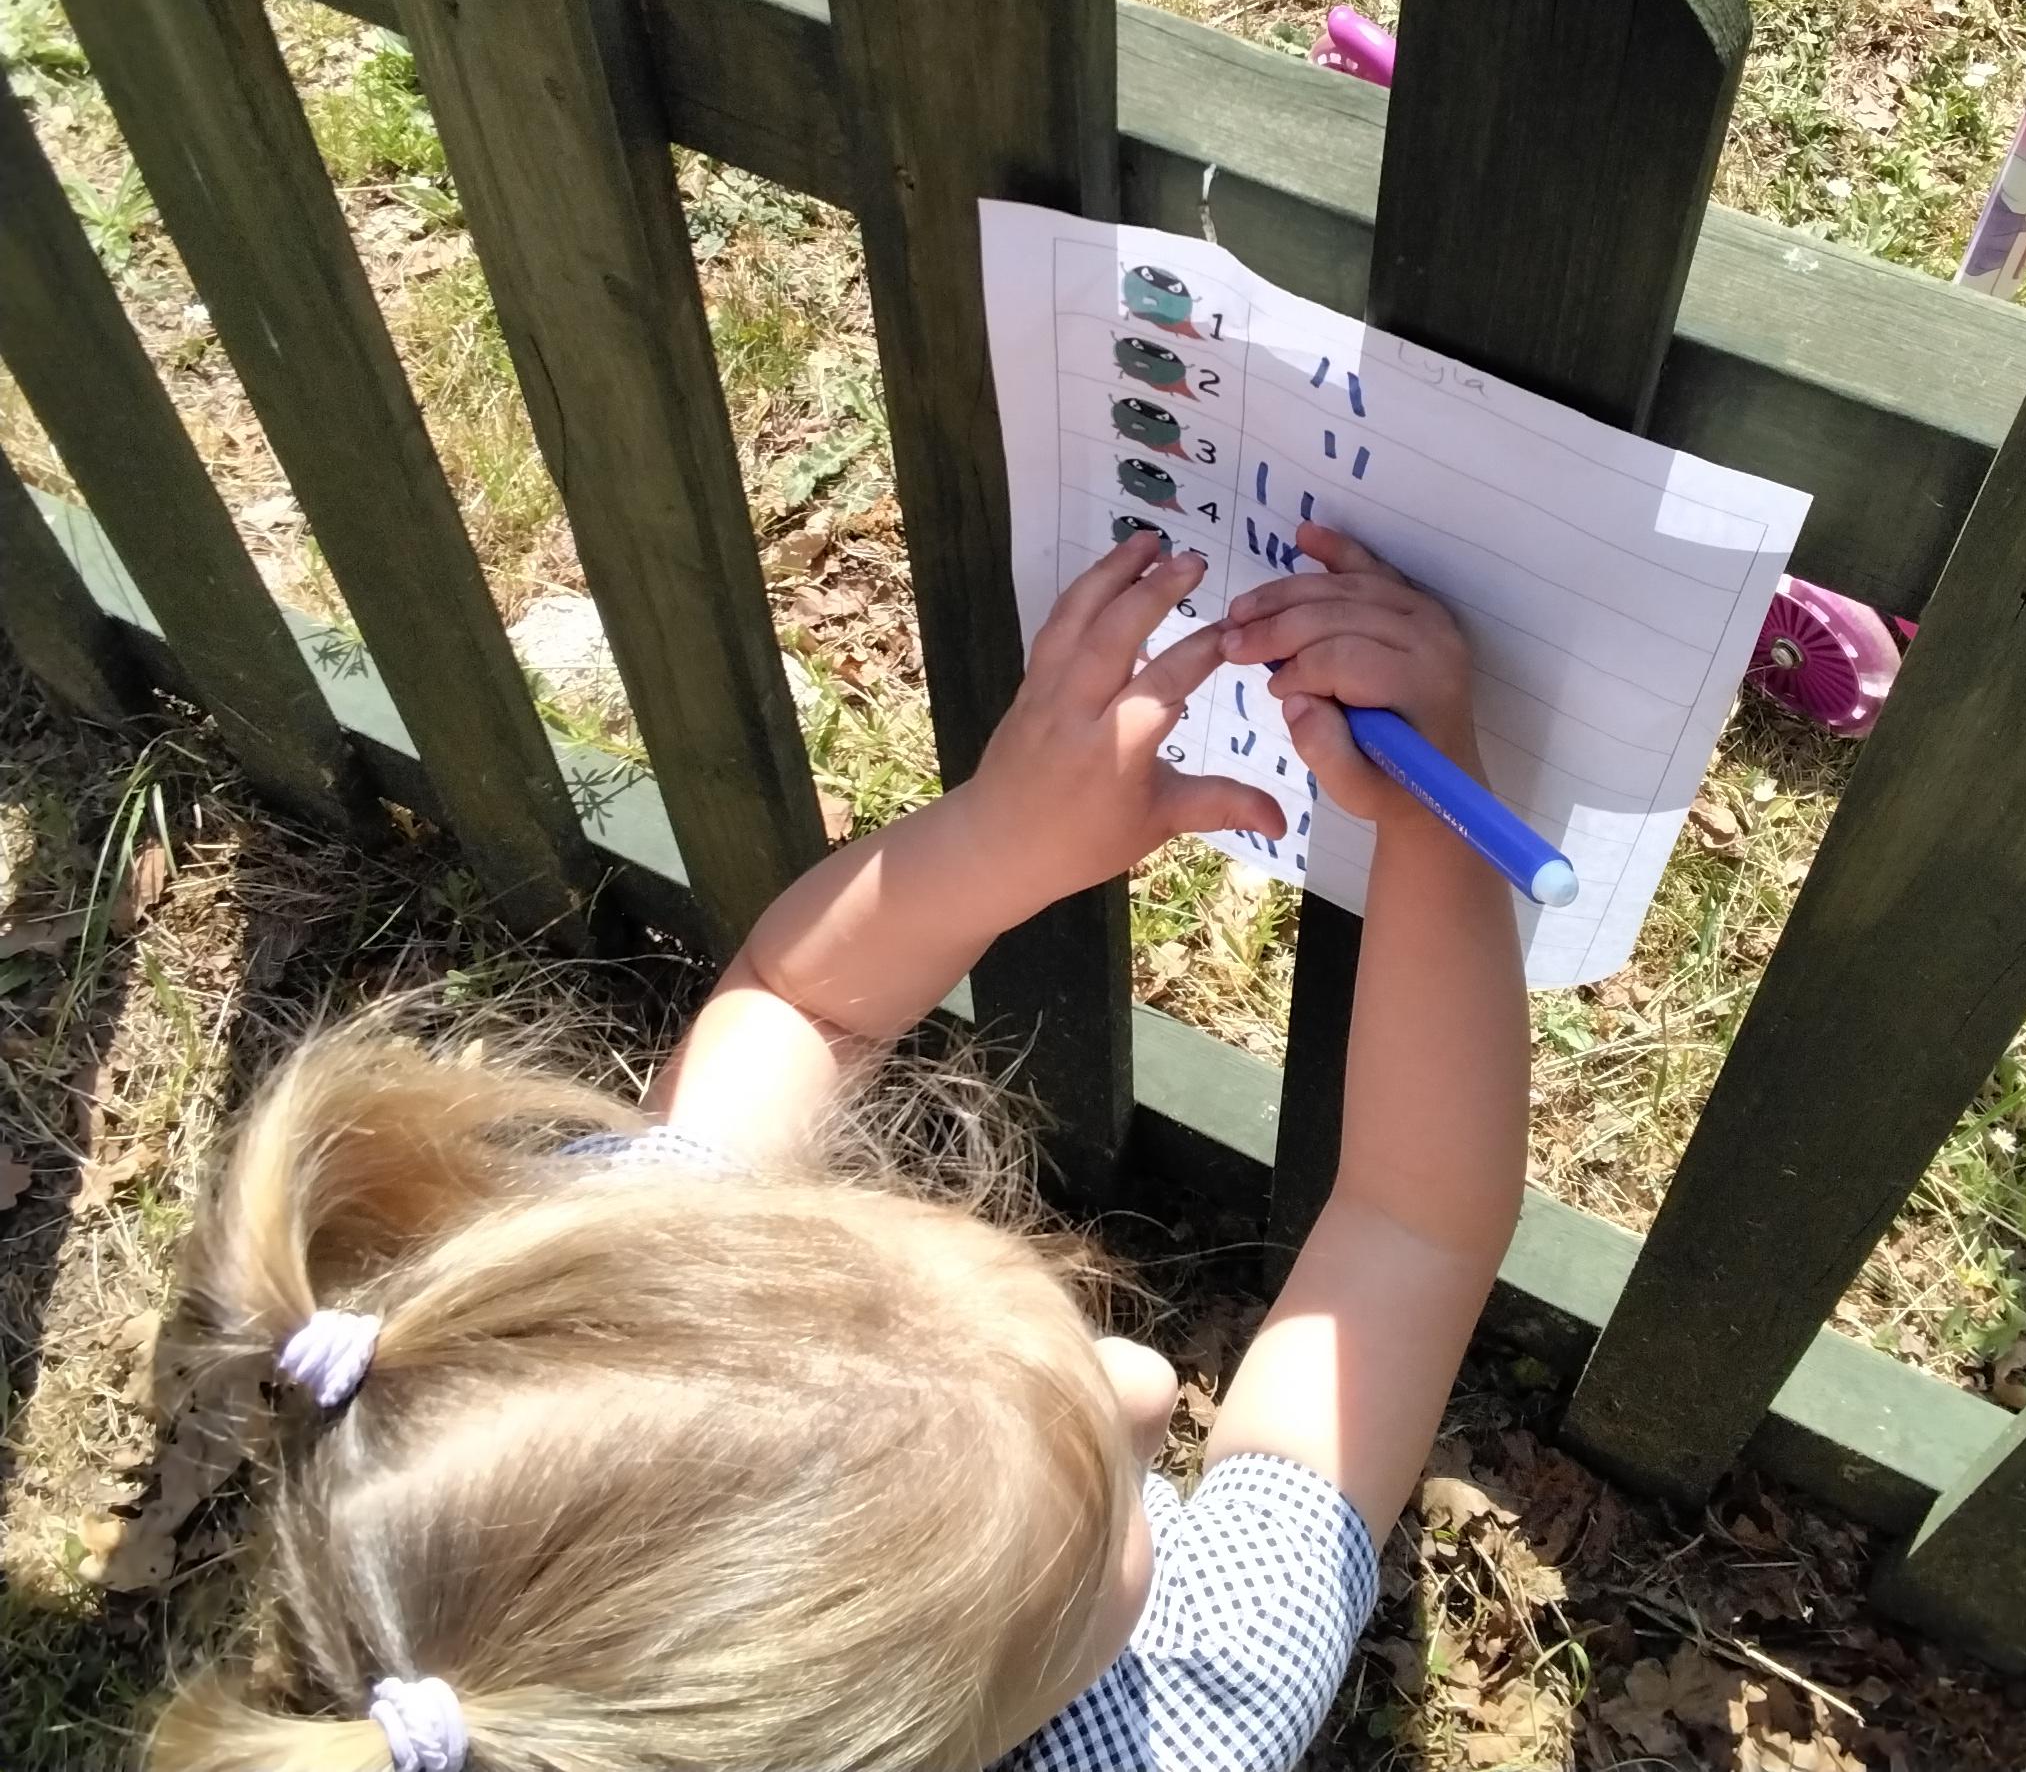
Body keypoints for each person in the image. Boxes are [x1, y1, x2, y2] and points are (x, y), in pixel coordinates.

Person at [149, 522, 1531, 1772]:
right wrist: (1438, 821)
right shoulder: (1187, 1728)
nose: (1150, 1381)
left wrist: (1004, 836)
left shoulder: (634, 1298)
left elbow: (795, 1004)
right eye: (1102, 1522)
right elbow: (1411, 1230)